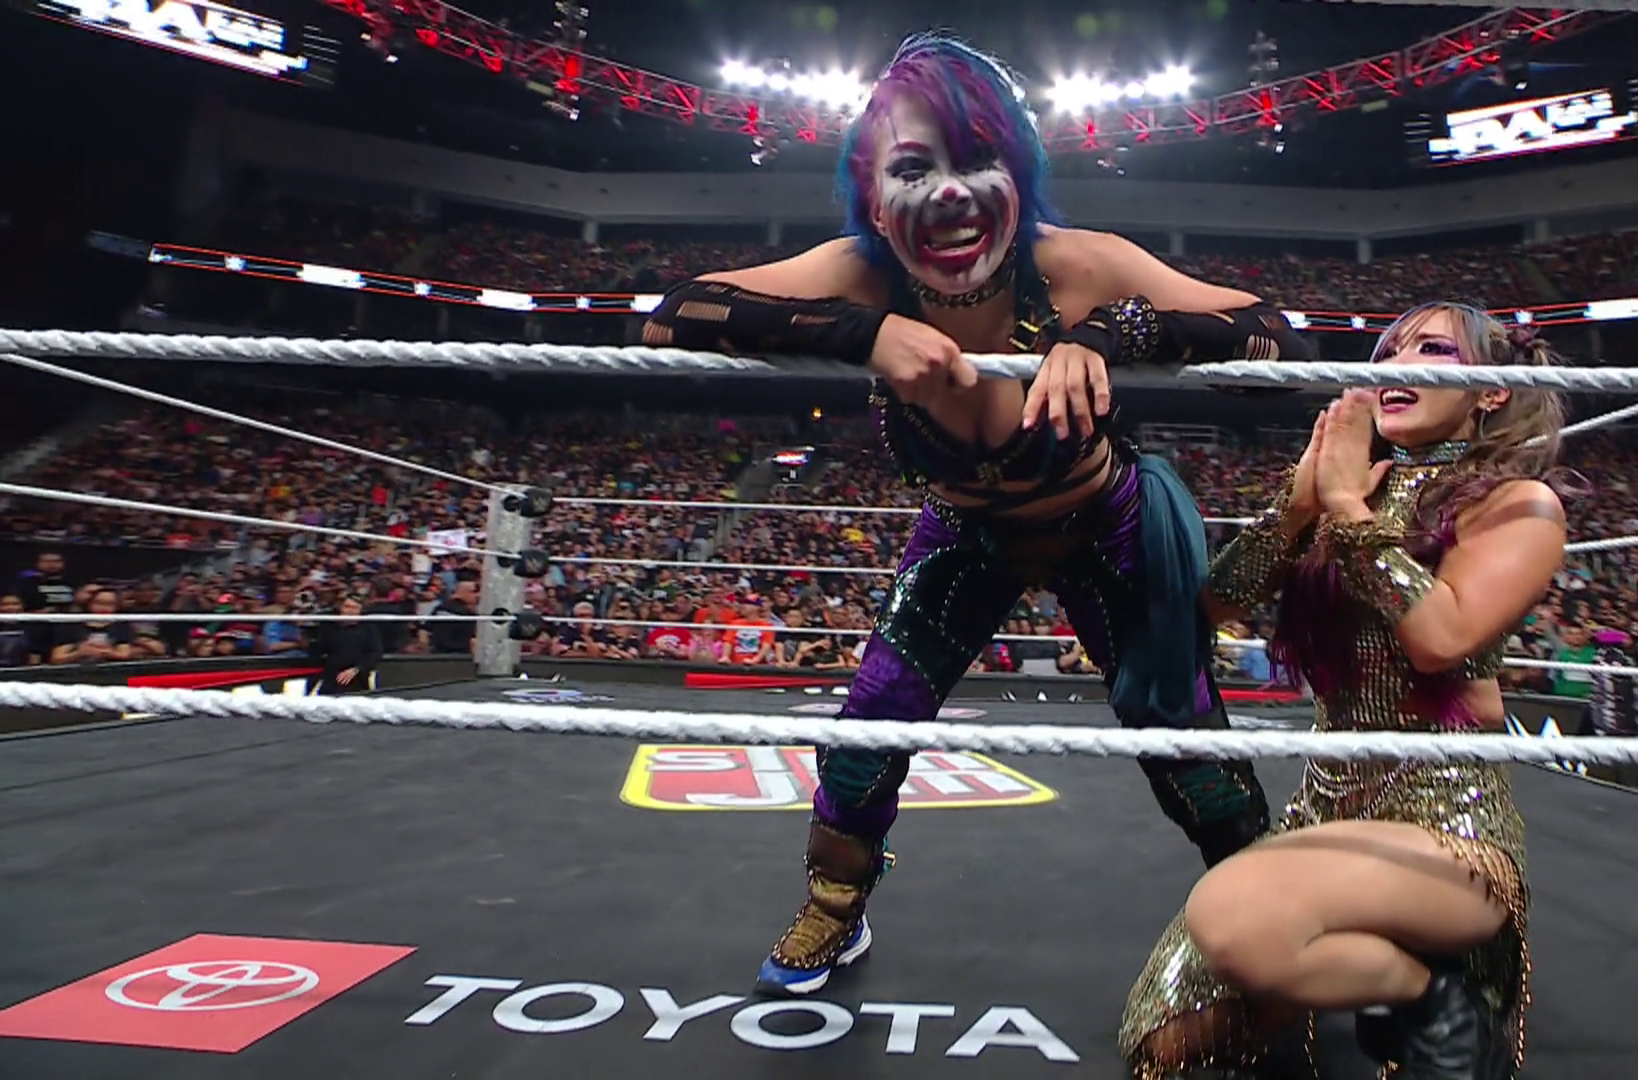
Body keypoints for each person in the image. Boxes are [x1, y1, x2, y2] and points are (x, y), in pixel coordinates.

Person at [643, 31, 1315, 998]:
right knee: (871, 721)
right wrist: (863, 332)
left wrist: (1110, 332)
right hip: (965, 534)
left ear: (1019, 172)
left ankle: (1267, 905)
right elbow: (674, 315)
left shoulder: (1075, 265)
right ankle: (835, 906)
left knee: (1180, 730)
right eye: (915, 168)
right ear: (875, 193)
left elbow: (1270, 337)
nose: (951, 194)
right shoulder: (862, 275)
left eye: (977, 159)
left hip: (1104, 521)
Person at [1118, 302, 1581, 1080]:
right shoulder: (1354, 483)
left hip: (1449, 829)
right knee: (1160, 1046)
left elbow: (1441, 639)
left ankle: (1435, 997)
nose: (1395, 364)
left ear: (1492, 390)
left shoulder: (1518, 504)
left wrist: (1345, 510)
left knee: (1233, 918)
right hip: (1326, 811)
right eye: (1387, 350)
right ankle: (1382, 968)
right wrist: (1298, 508)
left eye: (1431, 349)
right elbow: (1214, 608)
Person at [308, 596, 383, 695]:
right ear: (341, 608)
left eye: (354, 608)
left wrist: (356, 669)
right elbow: (320, 650)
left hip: (357, 676)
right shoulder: (329, 627)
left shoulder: (368, 629)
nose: (350, 611)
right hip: (331, 676)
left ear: (360, 611)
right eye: (347, 606)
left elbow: (375, 652)